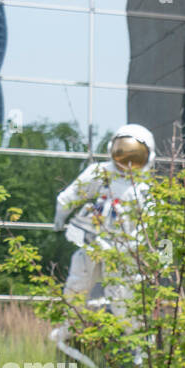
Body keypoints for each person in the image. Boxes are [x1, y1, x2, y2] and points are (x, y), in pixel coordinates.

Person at [54, 123, 155, 308]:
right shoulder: (100, 173)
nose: (128, 158)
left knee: (122, 297)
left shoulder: (144, 189)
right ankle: (70, 331)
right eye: (124, 150)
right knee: (76, 286)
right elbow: (73, 193)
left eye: (135, 153)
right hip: (93, 239)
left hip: (123, 249)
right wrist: (60, 215)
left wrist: (133, 244)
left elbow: (150, 224)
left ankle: (128, 333)